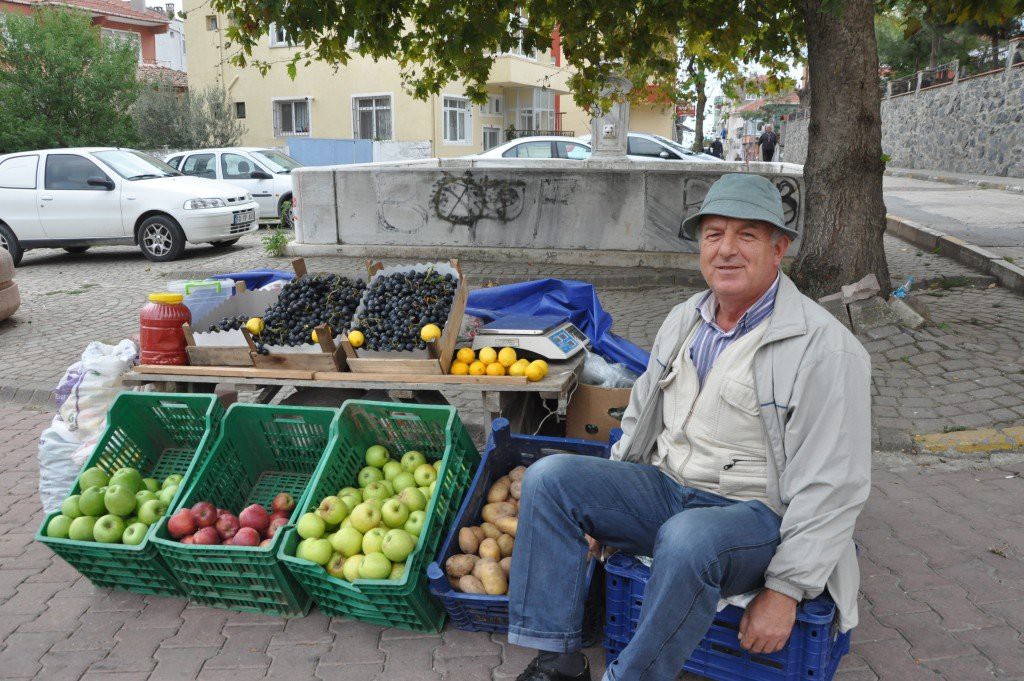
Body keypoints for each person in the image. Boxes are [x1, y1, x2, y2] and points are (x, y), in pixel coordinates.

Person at [508, 173, 871, 681]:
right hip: (668, 489)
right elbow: (639, 419)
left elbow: (834, 483)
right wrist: (604, 510)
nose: (726, 250)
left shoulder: (825, 348)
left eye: (747, 235)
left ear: (778, 249)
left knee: (687, 538)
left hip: (755, 517)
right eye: (713, 234)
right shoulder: (685, 320)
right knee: (550, 479)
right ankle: (559, 661)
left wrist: (785, 590)